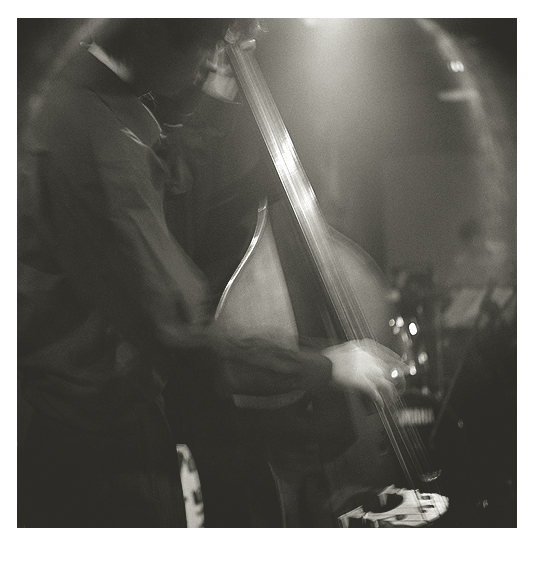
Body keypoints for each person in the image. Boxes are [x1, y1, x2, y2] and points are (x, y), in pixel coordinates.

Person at [18, 18, 403, 528]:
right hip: (97, 458)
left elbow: (178, 202)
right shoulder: (98, 137)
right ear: (152, 30)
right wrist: (326, 365)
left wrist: (213, 107)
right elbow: (181, 338)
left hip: (102, 435)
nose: (211, 61)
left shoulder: (108, 110)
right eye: (204, 43)